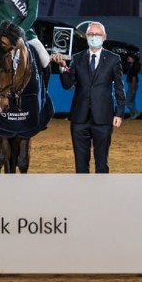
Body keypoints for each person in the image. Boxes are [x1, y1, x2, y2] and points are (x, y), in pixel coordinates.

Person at [51, 22, 125, 174]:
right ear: (86, 37)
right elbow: (68, 84)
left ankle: (100, 194)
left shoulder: (113, 59)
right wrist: (63, 66)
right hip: (79, 118)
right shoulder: (77, 59)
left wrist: (119, 113)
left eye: (97, 35)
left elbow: (119, 88)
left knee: (102, 163)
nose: (94, 37)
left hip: (103, 118)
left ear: (104, 37)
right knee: (80, 164)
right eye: (91, 34)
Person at [125, 53, 141, 120]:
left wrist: (133, 88)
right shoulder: (131, 66)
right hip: (131, 84)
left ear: (133, 59)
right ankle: (132, 116)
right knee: (132, 101)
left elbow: (134, 78)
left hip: (132, 84)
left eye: (129, 58)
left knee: (127, 101)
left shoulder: (134, 67)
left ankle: (136, 112)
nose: (128, 59)